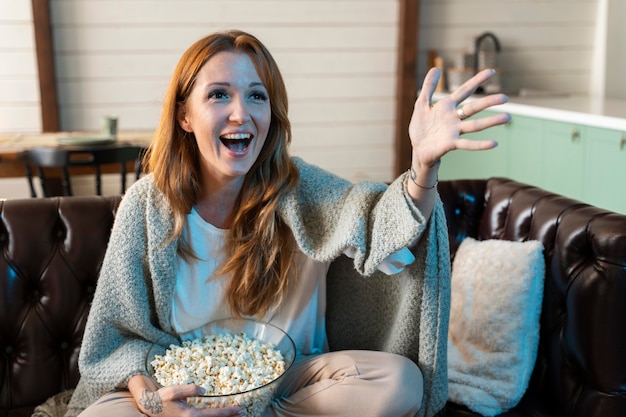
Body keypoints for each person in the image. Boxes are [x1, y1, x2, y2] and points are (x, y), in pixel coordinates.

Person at [59, 30, 509, 417]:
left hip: (287, 381)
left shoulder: (298, 187)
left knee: (400, 383)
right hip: (182, 386)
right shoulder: (147, 207)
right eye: (219, 94)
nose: (242, 112)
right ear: (184, 116)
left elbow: (376, 226)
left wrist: (422, 167)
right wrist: (157, 403)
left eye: (257, 95)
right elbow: (113, 344)